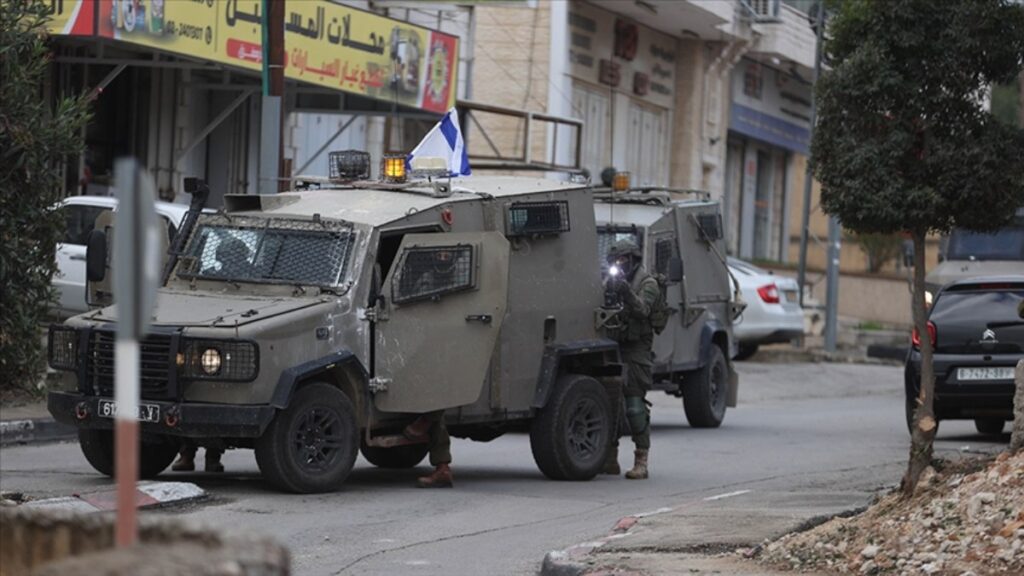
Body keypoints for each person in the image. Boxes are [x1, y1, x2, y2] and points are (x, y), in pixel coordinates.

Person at [603, 239, 660, 480]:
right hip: (613, 345)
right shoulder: (611, 282)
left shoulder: (648, 284)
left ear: (634, 260)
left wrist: (625, 291)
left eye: (623, 260)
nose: (619, 264)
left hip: (637, 349)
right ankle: (609, 458)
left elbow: (643, 310)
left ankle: (641, 460)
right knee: (610, 405)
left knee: (634, 407)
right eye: (615, 261)